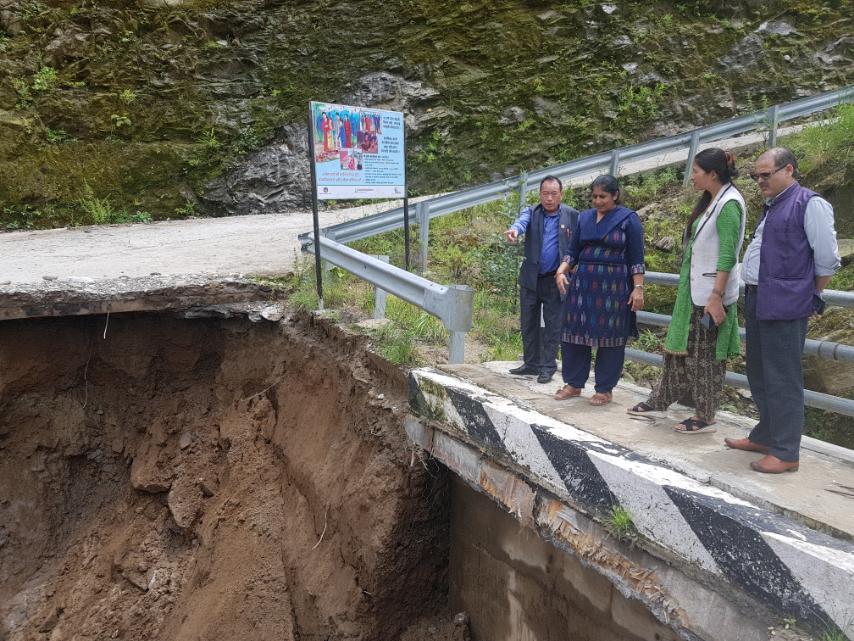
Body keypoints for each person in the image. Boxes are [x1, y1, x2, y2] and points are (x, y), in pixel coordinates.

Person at [725, 147, 840, 473]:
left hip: (786, 302)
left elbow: (827, 258)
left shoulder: (810, 203)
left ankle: (787, 451)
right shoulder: (773, 205)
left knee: (782, 376)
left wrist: (809, 292)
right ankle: (766, 435)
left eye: (765, 175)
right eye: (756, 176)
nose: (759, 181)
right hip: (761, 297)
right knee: (759, 371)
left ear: (788, 170)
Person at [627, 149, 746, 433]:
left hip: (710, 297)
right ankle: (661, 399)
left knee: (704, 358)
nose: (692, 176)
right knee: (678, 353)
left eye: (696, 171)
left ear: (712, 174)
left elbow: (728, 255)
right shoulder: (711, 201)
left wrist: (716, 297)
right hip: (694, 293)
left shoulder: (729, 205)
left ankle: (706, 415)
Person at [554, 175, 645, 405]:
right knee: (574, 333)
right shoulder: (584, 218)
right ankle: (574, 383)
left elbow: (636, 258)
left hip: (613, 286)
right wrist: (561, 270)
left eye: (602, 196)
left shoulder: (628, 219)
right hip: (582, 284)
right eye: (594, 196)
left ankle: (605, 388)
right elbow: (573, 251)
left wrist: (638, 288)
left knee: (610, 337)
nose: (597, 201)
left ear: (615, 195)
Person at [504, 176, 579, 384]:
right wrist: (514, 231)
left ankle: (547, 367)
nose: (549, 198)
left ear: (561, 195)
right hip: (531, 278)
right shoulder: (532, 212)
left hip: (556, 279)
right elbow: (520, 223)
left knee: (553, 326)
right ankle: (531, 363)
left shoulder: (572, 216)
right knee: (528, 322)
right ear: (539, 194)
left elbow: (580, 242)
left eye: (553, 193)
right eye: (545, 193)